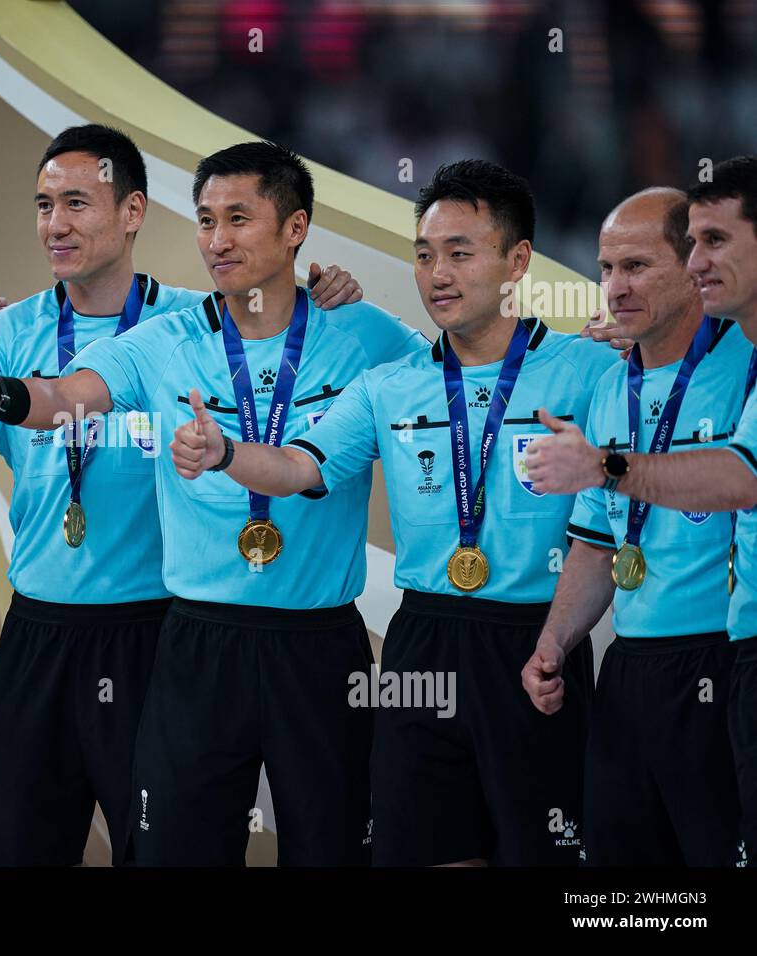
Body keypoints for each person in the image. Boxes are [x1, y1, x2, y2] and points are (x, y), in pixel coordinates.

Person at [0, 125, 363, 866]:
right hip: (39, 633)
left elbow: (290, 336)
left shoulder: (197, 322)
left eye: (78, 203)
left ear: (133, 212)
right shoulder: (6, 331)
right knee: (16, 850)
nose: (57, 222)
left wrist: (324, 294)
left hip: (157, 635)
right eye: (45, 204)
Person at [0, 141, 425, 866]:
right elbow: (70, 397)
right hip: (196, 644)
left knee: (334, 852)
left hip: (321, 647)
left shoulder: (362, 333)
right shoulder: (160, 340)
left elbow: (468, 373)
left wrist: (612, 350)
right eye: (205, 221)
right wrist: (4, 396)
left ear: (295, 229)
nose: (217, 240)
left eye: (239, 218)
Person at [167, 159, 619, 866]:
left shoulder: (592, 370)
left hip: (536, 644)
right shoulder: (389, 384)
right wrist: (226, 451)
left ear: (518, 260)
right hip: (422, 645)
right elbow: (295, 466)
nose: (438, 272)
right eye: (425, 254)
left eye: (461, 253)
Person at [526, 156, 757, 860]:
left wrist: (605, 465)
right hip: (630, 671)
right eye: (605, 269)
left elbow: (737, 481)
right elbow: (597, 541)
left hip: (719, 660)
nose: (615, 288)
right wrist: (556, 641)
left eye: (637, 265)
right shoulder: (609, 386)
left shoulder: (745, 360)